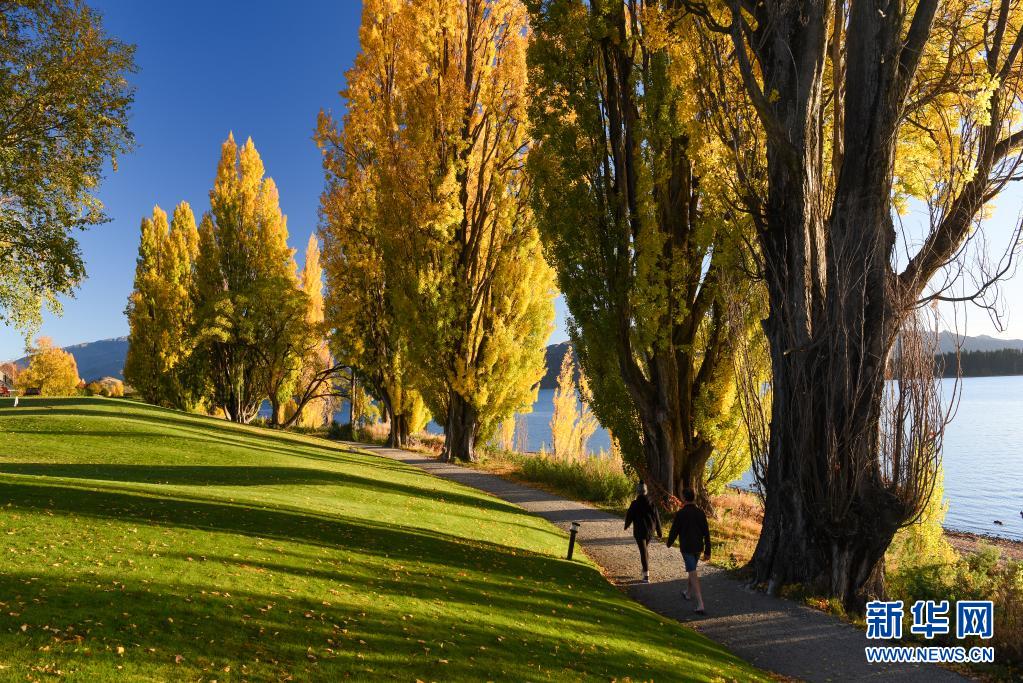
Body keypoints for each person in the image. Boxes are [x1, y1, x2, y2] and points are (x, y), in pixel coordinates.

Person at [666, 487, 711, 614]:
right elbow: (706, 533)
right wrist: (708, 550)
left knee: (692, 572)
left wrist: (669, 542)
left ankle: (700, 604)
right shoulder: (700, 513)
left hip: (687, 548)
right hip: (698, 547)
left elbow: (674, 530)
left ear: (684, 498)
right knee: (692, 570)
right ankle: (688, 592)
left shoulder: (681, 513)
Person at [624, 481, 661, 583]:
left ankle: (646, 574)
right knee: (644, 550)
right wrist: (659, 531)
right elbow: (657, 518)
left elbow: (629, 516)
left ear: (637, 492)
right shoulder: (652, 503)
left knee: (643, 551)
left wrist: (626, 525)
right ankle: (645, 569)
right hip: (650, 531)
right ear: (646, 491)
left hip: (639, 531)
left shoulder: (635, 504)